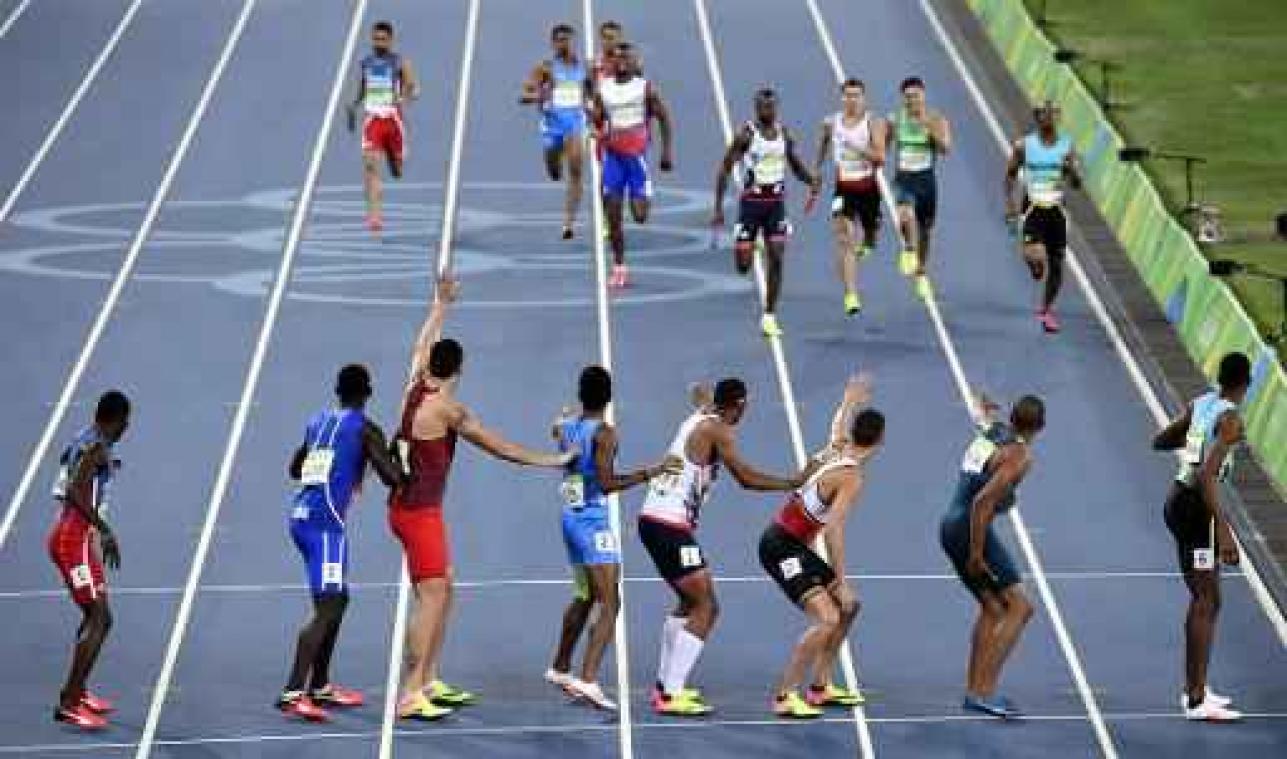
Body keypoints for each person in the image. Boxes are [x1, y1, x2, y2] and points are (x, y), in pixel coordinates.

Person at [388, 276, 575, 721]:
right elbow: (502, 448)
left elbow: (422, 342)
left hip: (406, 506)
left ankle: (429, 679)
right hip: (419, 512)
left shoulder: (415, 383)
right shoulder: (449, 410)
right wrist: (551, 460)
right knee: (432, 596)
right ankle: (411, 693)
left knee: (444, 589)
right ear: (459, 369)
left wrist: (440, 306)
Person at [639, 378, 815, 716]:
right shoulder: (717, 431)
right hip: (669, 525)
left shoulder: (704, 413)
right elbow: (746, 479)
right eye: (745, 405)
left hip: (655, 519)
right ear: (738, 406)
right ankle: (671, 694)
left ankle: (665, 686)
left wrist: (702, 393)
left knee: (688, 601)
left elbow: (699, 391)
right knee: (707, 607)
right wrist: (792, 482)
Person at [544, 366, 681, 711]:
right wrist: (651, 472)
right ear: (609, 397)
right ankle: (588, 679)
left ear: (581, 393)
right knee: (611, 602)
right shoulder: (605, 434)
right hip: (593, 523)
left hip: (569, 520)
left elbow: (556, 431)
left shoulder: (570, 427)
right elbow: (606, 484)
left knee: (585, 594)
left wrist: (559, 421)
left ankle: (560, 667)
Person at [275, 364, 407, 722]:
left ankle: (319, 684)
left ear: (338, 391)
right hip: (325, 526)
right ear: (367, 393)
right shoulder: (366, 429)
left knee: (338, 599)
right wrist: (398, 454)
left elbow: (294, 468)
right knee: (328, 608)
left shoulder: (317, 422)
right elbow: (392, 478)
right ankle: (292, 691)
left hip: (300, 516)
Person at [760, 375, 879, 718]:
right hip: (779, 546)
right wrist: (840, 577)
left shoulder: (840, 446)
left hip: (792, 544)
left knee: (849, 606)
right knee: (828, 617)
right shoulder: (852, 476)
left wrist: (849, 400)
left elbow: (838, 422)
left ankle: (821, 686)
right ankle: (785, 695)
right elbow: (832, 529)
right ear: (880, 441)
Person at [1152, 351, 1251, 722]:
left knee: (1205, 597)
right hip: (1197, 512)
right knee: (1206, 600)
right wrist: (1224, 531)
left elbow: (1160, 441)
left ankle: (1196, 688)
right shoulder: (1230, 419)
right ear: (1246, 385)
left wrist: (1195, 444)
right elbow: (1209, 476)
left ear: (1220, 378)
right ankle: (1195, 699)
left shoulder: (1201, 403)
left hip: (1177, 501)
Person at [939, 392, 1045, 719]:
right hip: (970, 529)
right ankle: (984, 692)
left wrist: (981, 406)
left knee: (992, 607)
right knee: (1021, 608)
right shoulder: (1019, 456)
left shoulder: (993, 432)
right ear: (1040, 427)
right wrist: (975, 551)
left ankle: (975, 692)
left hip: (950, 524)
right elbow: (983, 503)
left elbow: (981, 417)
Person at [47, 390, 131, 730]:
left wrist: (107, 467)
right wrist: (105, 530)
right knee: (98, 617)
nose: (128, 427)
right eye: (126, 420)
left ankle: (78, 690)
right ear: (116, 419)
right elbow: (74, 491)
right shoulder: (95, 447)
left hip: (75, 537)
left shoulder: (85, 440)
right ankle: (68, 701)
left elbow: (71, 473)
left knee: (101, 618)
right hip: (73, 540)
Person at [714, 88, 820, 337]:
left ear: (777, 108)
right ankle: (750, 243)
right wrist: (718, 208)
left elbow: (794, 166)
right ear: (756, 108)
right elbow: (725, 169)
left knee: (777, 258)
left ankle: (769, 315)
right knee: (743, 266)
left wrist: (810, 179)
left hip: (775, 206)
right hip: (751, 205)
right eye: (762, 107)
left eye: (771, 107)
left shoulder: (785, 135)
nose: (767, 111)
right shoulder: (745, 136)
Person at [591, 42, 673, 289]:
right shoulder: (603, 89)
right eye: (617, 58)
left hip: (635, 159)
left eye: (626, 57)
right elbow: (598, 120)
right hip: (613, 159)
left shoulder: (644, 88)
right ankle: (619, 267)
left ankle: (643, 192)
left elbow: (664, 117)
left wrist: (666, 152)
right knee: (613, 217)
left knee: (639, 216)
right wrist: (597, 130)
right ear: (611, 63)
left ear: (634, 60)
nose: (621, 62)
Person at [1004, 101, 1081, 333]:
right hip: (1033, 209)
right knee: (1037, 259)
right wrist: (1010, 207)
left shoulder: (1067, 147)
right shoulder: (1024, 146)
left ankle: (1046, 310)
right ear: (1038, 118)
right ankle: (1035, 266)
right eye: (1046, 114)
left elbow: (1077, 184)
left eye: (1055, 114)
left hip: (1057, 211)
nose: (1051, 118)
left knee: (1057, 266)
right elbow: (1009, 176)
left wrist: (1073, 171)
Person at [812, 79, 885, 315]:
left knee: (871, 233)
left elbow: (880, 158)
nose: (851, 100)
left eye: (856, 96)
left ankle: (871, 238)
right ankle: (851, 295)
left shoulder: (873, 123)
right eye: (847, 96)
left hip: (868, 188)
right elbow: (822, 144)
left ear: (864, 98)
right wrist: (817, 169)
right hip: (843, 188)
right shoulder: (831, 123)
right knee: (844, 239)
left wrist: (856, 145)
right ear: (841, 98)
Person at [346, 21, 419, 234]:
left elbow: (413, 86)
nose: (379, 42)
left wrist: (406, 96)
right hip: (373, 120)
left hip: (393, 120)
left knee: (396, 171)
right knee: (370, 168)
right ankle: (374, 217)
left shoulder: (400, 63)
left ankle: (393, 156)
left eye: (383, 39)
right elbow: (362, 87)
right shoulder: (365, 63)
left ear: (390, 40)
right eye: (375, 38)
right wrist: (354, 105)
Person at [520, 24, 591, 240]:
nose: (564, 44)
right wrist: (540, 97)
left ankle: (568, 222)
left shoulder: (584, 68)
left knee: (577, 170)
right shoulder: (545, 68)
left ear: (573, 41)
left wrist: (595, 113)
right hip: (553, 127)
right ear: (552, 43)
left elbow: (593, 94)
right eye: (559, 40)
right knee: (554, 173)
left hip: (575, 125)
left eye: (567, 39)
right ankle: (555, 159)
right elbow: (524, 94)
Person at [888, 76, 951, 301]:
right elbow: (884, 144)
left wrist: (928, 129)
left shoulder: (937, 120)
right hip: (904, 178)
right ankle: (909, 250)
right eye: (907, 97)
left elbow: (945, 149)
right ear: (902, 99)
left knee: (925, 231)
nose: (911, 100)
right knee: (905, 216)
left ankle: (922, 273)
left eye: (915, 95)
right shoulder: (896, 120)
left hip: (926, 180)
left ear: (923, 95)